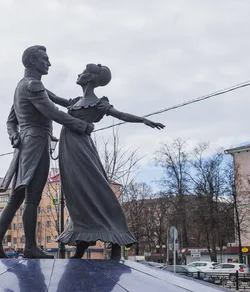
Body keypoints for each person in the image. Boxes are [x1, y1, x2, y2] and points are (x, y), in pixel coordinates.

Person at [48, 64, 164, 259]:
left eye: (83, 72)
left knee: (95, 187)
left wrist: (143, 120)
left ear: (91, 78)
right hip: (69, 148)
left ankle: (115, 235)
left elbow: (120, 115)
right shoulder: (76, 101)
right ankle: (83, 239)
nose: (79, 73)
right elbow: (54, 98)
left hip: (81, 148)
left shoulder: (98, 103)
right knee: (78, 194)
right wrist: (34, 84)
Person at [0, 45, 94, 259]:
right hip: (36, 143)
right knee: (32, 197)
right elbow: (52, 111)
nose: (49, 63)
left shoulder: (22, 86)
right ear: (33, 62)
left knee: (16, 198)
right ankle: (30, 246)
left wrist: (14, 135)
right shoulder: (33, 86)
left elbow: (13, 120)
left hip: (25, 146)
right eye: (45, 59)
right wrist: (81, 125)